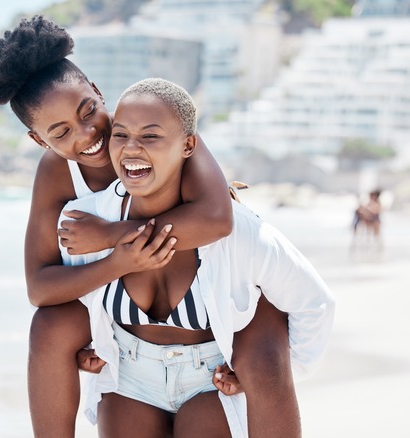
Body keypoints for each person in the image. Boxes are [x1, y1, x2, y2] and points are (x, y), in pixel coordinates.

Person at [0, 16, 293, 436]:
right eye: (61, 132)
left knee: (265, 318)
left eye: (88, 111)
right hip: (124, 327)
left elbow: (216, 219)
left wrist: (110, 236)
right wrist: (118, 262)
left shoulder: (151, 127)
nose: (88, 133)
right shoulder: (57, 174)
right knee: (50, 324)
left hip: (204, 318)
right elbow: (40, 287)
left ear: (97, 91)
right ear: (41, 142)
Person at [58, 78, 336, 436]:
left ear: (188, 145)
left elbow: (315, 303)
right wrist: (88, 345)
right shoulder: (94, 218)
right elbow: (72, 295)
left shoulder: (238, 231)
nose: (131, 149)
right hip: (129, 379)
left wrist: (280, 373)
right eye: (121, 135)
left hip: (211, 380)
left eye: (151, 136)